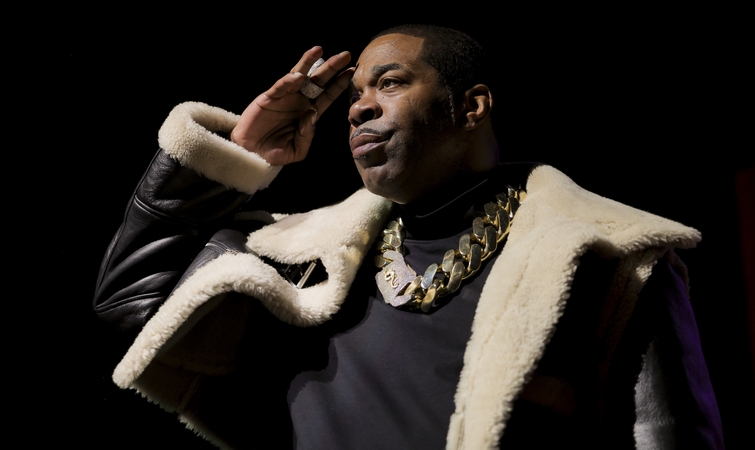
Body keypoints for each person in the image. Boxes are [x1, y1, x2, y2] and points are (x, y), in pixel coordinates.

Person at [94, 25, 723, 449]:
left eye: (389, 83)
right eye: (356, 95)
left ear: (469, 107)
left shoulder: (608, 260)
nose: (360, 106)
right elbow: (130, 306)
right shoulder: (299, 260)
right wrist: (239, 156)